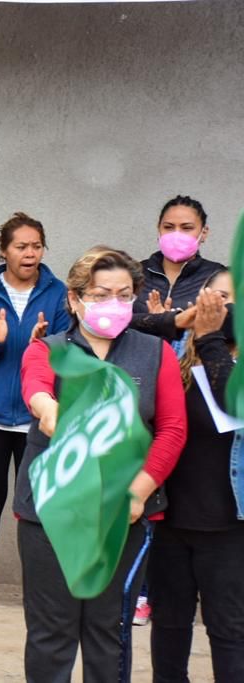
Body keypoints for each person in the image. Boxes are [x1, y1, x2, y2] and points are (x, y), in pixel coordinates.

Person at [15, 246, 186, 682]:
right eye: (100, 294)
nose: (113, 303)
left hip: (126, 515)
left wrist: (138, 492)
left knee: (109, 630)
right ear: (74, 299)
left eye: (123, 294)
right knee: (51, 632)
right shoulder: (47, 350)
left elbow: (171, 429)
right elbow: (35, 387)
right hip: (52, 514)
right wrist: (47, 407)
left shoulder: (156, 353)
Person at [0, 212, 70, 609]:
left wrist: (47, 343)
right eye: (21, 246)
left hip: (41, 417)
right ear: (3, 250)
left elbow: (73, 350)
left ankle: (41, 587)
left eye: (36, 246)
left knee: (41, 504)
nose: (30, 253)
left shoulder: (58, 293)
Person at [149, 268, 244, 682]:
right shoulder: (175, 358)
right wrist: (174, 323)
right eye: (213, 296)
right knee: (169, 627)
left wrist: (207, 338)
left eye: (230, 299)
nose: (218, 306)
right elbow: (134, 329)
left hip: (229, 528)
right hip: (172, 519)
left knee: (228, 630)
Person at [132, 195, 224, 342]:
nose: (177, 234)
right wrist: (161, 321)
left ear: (204, 233)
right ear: (159, 229)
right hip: (137, 361)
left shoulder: (219, 277)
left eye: (187, 228)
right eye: (168, 227)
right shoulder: (133, 273)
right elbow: (117, 321)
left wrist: (176, 323)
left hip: (195, 363)